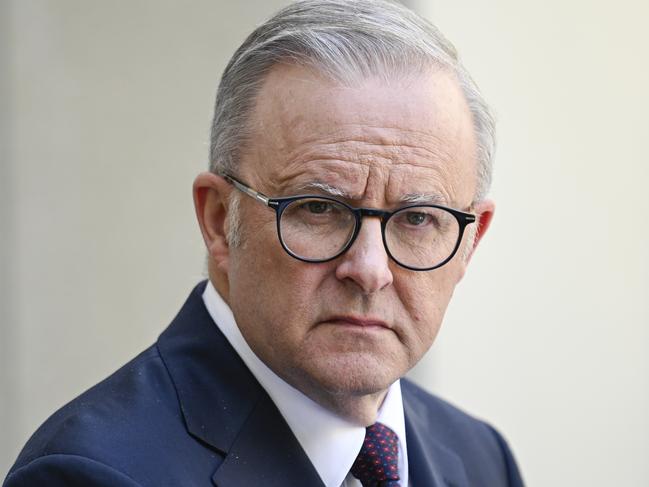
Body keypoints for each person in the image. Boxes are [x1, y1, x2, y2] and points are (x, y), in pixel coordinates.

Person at [3, 0, 524, 485]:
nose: (369, 269)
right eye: (319, 209)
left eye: (416, 219)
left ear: (470, 242)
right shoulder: (92, 472)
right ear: (218, 220)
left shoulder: (481, 458)